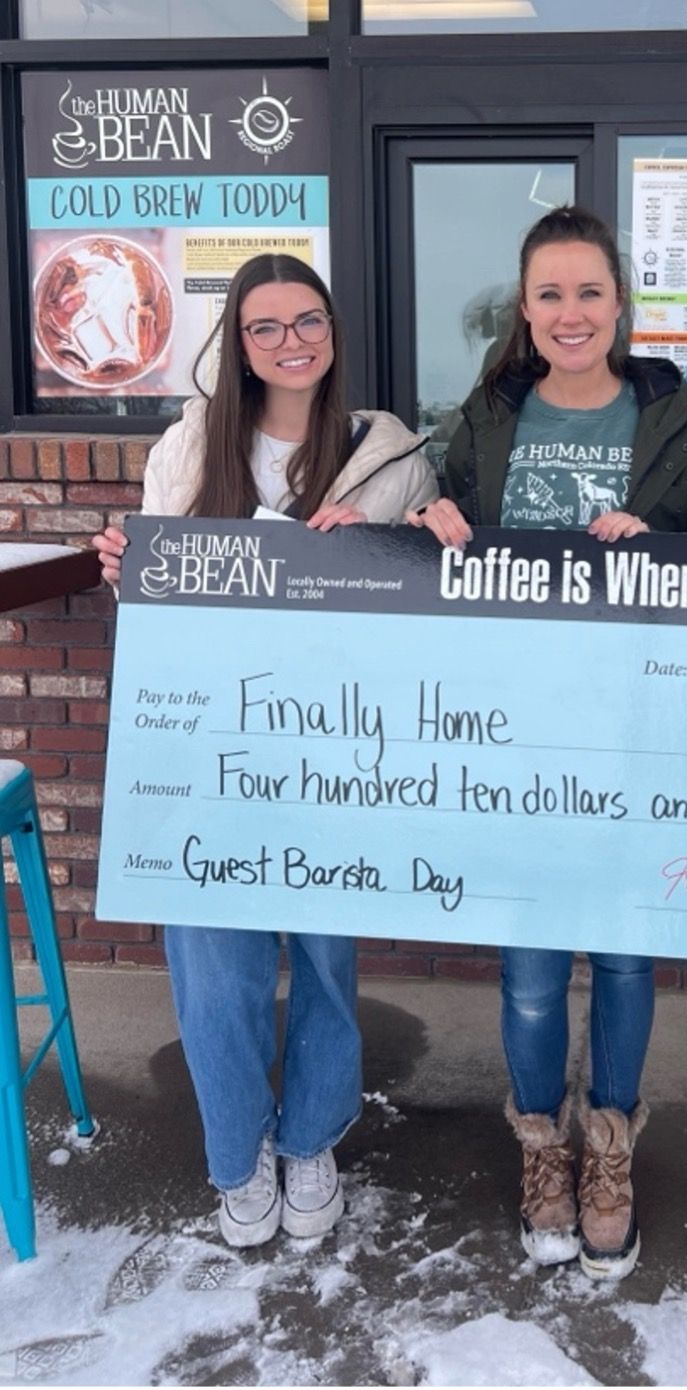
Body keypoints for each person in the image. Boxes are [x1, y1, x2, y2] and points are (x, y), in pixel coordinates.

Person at [412, 205, 687, 1280]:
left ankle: (609, 1152)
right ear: (524, 308)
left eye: (587, 292)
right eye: (547, 294)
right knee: (531, 972)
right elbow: (438, 565)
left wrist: (665, 551)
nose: (568, 313)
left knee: (629, 957)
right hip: (518, 738)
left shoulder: (677, 424)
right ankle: (541, 1154)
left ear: (617, 304)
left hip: (636, 737)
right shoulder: (486, 420)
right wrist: (438, 528)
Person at [92, 253, 439, 1247]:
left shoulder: (388, 456)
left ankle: (311, 1136)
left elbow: (422, 608)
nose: (291, 342)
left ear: (333, 330)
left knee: (326, 962)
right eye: (266, 327)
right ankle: (236, 1153)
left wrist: (416, 542)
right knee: (214, 966)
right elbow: (159, 604)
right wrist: (129, 571)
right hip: (209, 747)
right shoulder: (189, 448)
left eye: (308, 321)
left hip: (335, 749)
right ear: (236, 344)